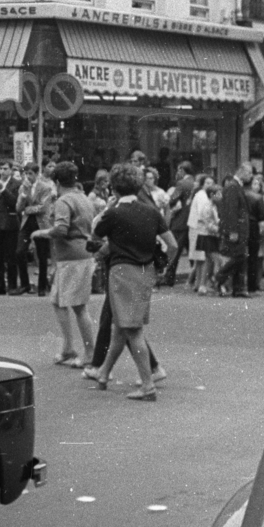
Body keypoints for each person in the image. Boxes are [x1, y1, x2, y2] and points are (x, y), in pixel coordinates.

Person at [93, 162, 177, 401]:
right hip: (145, 271)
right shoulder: (151, 212)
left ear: (114, 188)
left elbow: (95, 233)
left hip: (122, 272)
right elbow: (172, 245)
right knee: (121, 327)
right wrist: (162, 268)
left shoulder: (114, 213)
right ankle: (103, 373)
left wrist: (108, 209)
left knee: (131, 328)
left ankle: (148, 386)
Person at [38, 160, 94, 367]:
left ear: (57, 181)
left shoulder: (64, 201)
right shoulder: (83, 198)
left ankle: (89, 353)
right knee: (58, 300)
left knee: (79, 306)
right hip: (79, 254)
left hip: (71, 256)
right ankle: (68, 348)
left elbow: (61, 229)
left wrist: (42, 232)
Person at [18, 161, 56, 297]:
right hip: (27, 222)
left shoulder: (45, 187)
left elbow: (43, 207)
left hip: (41, 223)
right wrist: (24, 195)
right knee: (20, 251)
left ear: (37, 174)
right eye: (26, 173)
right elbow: (18, 207)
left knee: (42, 255)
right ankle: (25, 284)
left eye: (31, 174)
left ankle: (41, 286)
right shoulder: (23, 187)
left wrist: (28, 209)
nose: (28, 177)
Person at [215, 164, 252, 297]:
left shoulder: (237, 186)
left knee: (240, 256)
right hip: (237, 229)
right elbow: (231, 210)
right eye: (249, 173)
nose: (250, 176)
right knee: (239, 256)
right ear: (241, 171)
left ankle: (238, 288)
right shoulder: (232, 186)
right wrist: (233, 230)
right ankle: (219, 277)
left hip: (241, 228)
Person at [0, 160, 22, 294]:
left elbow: (14, 203)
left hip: (11, 223)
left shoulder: (17, 184)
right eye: (1, 169)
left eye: (6, 169)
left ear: (11, 170)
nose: (3, 171)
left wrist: (3, 189)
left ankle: (12, 286)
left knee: (11, 256)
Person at [160, 163, 195, 287]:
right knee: (192, 251)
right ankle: (194, 276)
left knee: (175, 250)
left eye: (178, 170)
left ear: (182, 170)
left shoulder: (181, 184)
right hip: (191, 222)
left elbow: (172, 199)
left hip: (180, 221)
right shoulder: (195, 182)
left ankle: (169, 277)